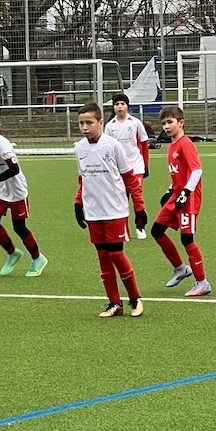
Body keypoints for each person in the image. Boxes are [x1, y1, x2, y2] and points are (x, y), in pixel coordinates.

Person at [73, 102, 147, 318]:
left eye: (89, 123)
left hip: (115, 210)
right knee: (103, 257)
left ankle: (135, 298)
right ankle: (114, 303)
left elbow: (129, 178)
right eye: (81, 123)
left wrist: (139, 207)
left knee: (116, 254)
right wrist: (78, 202)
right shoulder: (79, 148)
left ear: (100, 122)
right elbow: (83, 179)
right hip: (93, 212)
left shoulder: (113, 145)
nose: (85, 127)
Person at [0, 109, 47, 277]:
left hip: (16, 189)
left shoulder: (3, 144)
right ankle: (12, 253)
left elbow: (14, 169)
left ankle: (38, 258)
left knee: (19, 227)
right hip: (1, 189)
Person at [150, 105, 212, 297]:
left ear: (181, 123)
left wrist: (185, 192)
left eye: (170, 122)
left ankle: (202, 283)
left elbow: (196, 170)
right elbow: (179, 174)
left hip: (188, 199)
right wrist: (169, 190)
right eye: (164, 123)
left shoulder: (186, 144)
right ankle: (180, 268)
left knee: (187, 239)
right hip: (176, 196)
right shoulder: (172, 146)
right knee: (157, 230)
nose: (166, 126)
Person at [105, 92, 152, 238]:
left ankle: (140, 226)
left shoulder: (135, 123)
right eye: (117, 104)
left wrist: (146, 165)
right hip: (119, 169)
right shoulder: (109, 126)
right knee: (121, 198)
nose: (120, 107)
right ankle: (123, 228)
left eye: (122, 104)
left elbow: (144, 144)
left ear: (127, 106)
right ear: (113, 107)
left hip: (136, 166)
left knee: (137, 196)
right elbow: (108, 149)